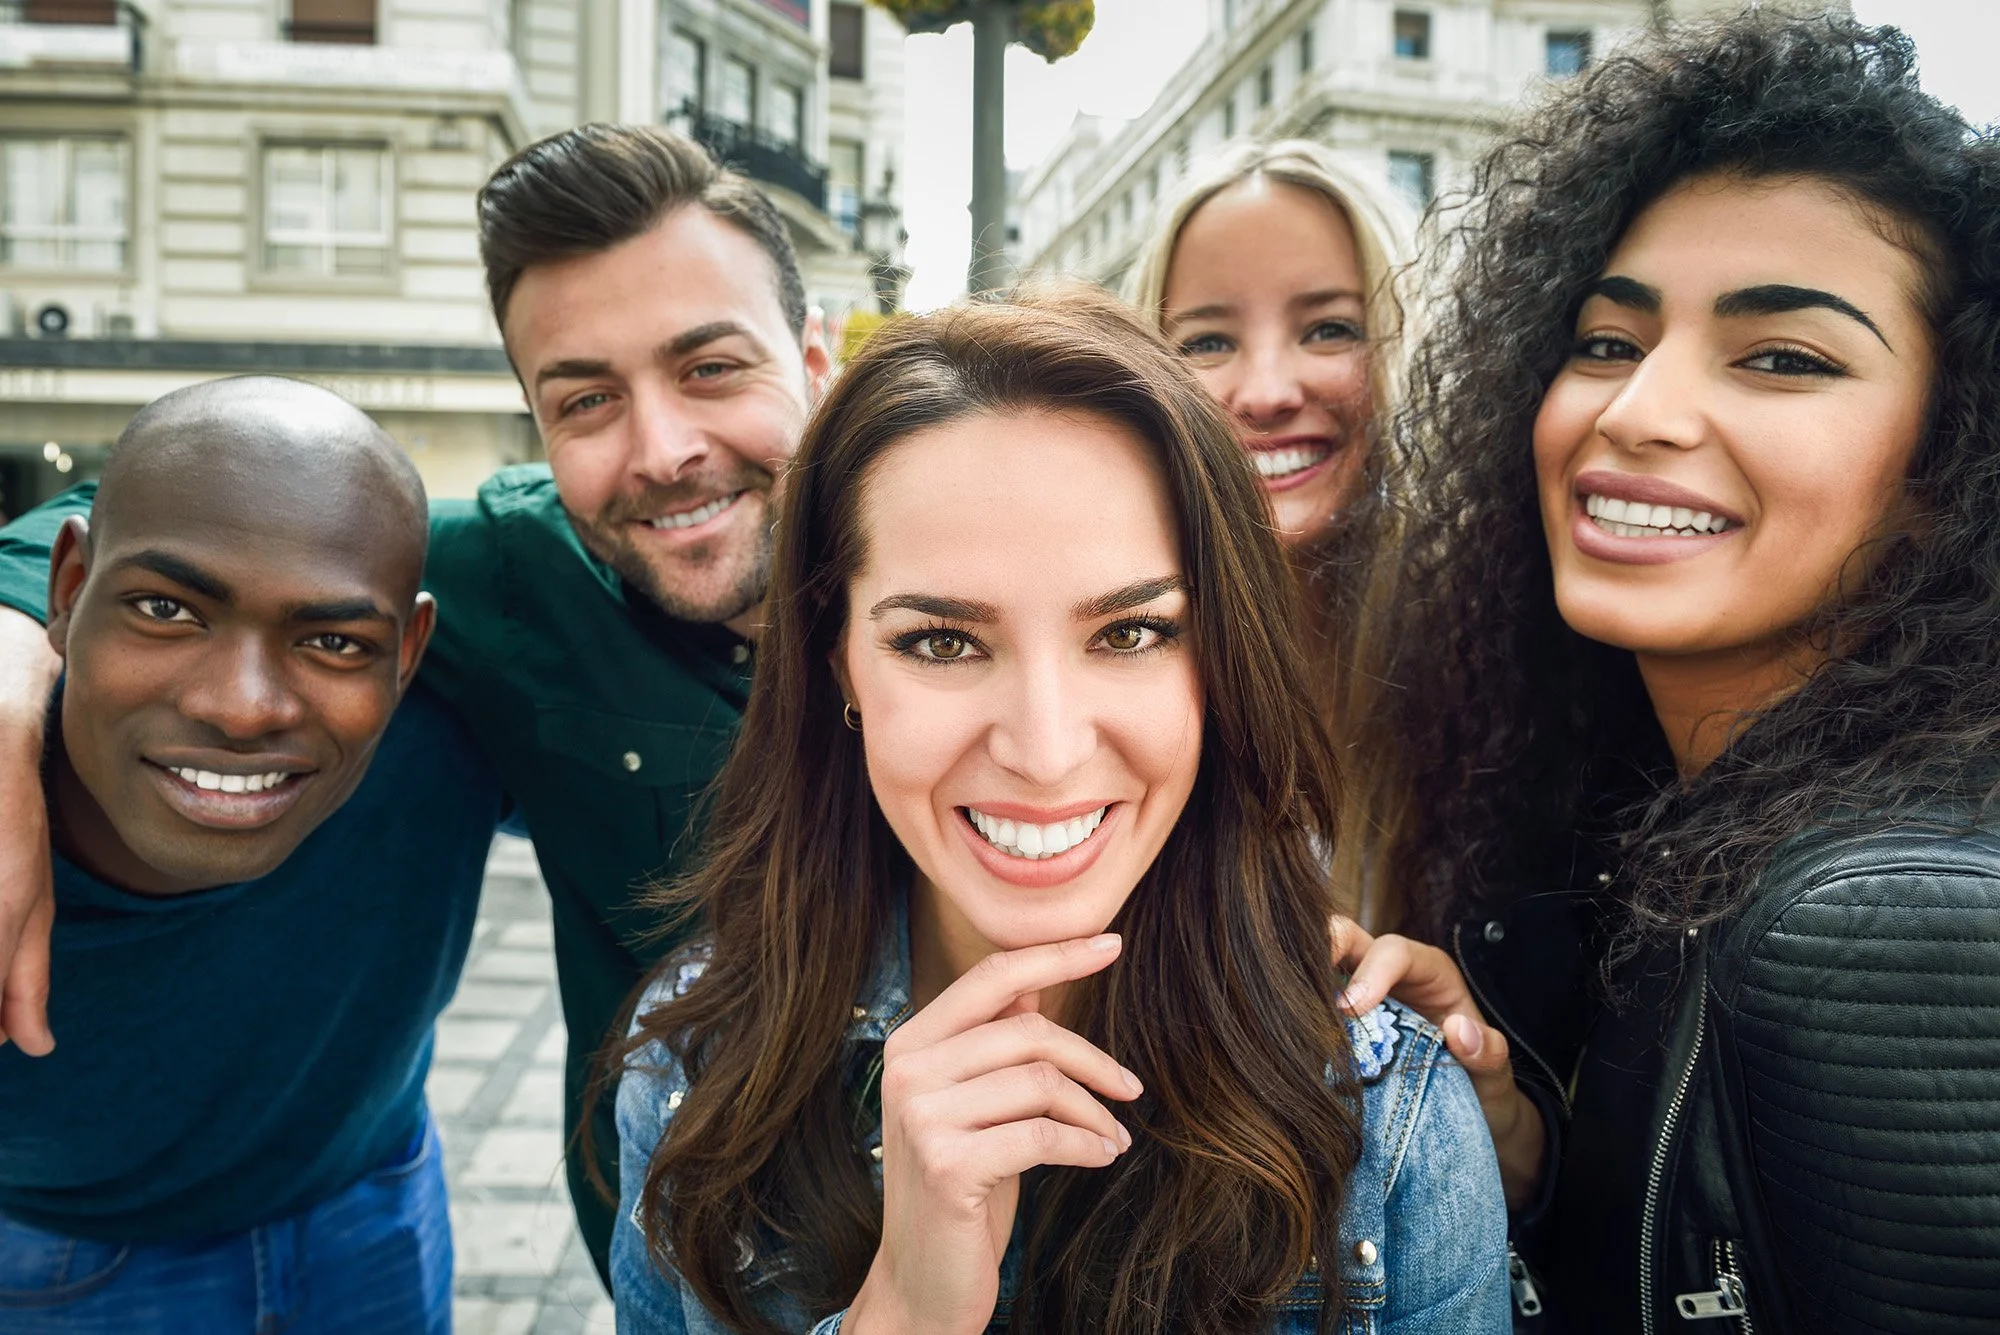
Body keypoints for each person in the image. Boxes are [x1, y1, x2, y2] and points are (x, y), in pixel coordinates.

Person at [0, 124, 830, 1277]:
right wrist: (8, 680)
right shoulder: (517, 573)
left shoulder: (957, 555)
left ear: (814, 357)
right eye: (586, 400)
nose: (660, 450)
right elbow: (151, 525)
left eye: (710, 370)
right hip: (686, 1266)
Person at [609, 288, 1510, 1334]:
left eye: (1128, 634)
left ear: (1219, 658)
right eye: (942, 642)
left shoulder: (1389, 1112)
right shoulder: (693, 1067)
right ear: (838, 661)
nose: (1044, 753)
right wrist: (900, 1312)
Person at [1332, 15, 2000, 1333]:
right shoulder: (1661, 815)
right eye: (1605, 342)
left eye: (1782, 358)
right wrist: (1522, 1144)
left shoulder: (1888, 921)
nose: (1633, 410)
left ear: (1953, 464)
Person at [0, 377, 503, 1332]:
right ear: (67, 590)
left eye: (332, 639)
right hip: (51, 1256)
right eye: (165, 608)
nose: (241, 706)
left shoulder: (452, 729)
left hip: (374, 1208)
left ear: (408, 653)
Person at [1128, 141, 1418, 921]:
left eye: (1329, 329)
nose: (1264, 393)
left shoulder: (1506, 677)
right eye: (1208, 342)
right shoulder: (1100, 666)